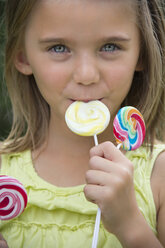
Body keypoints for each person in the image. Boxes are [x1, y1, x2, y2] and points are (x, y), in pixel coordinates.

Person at [0, 0, 165, 247]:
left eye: (110, 46)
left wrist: (130, 225)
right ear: (22, 56)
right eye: (58, 48)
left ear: (141, 54)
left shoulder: (158, 176)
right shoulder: (4, 174)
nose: (86, 75)